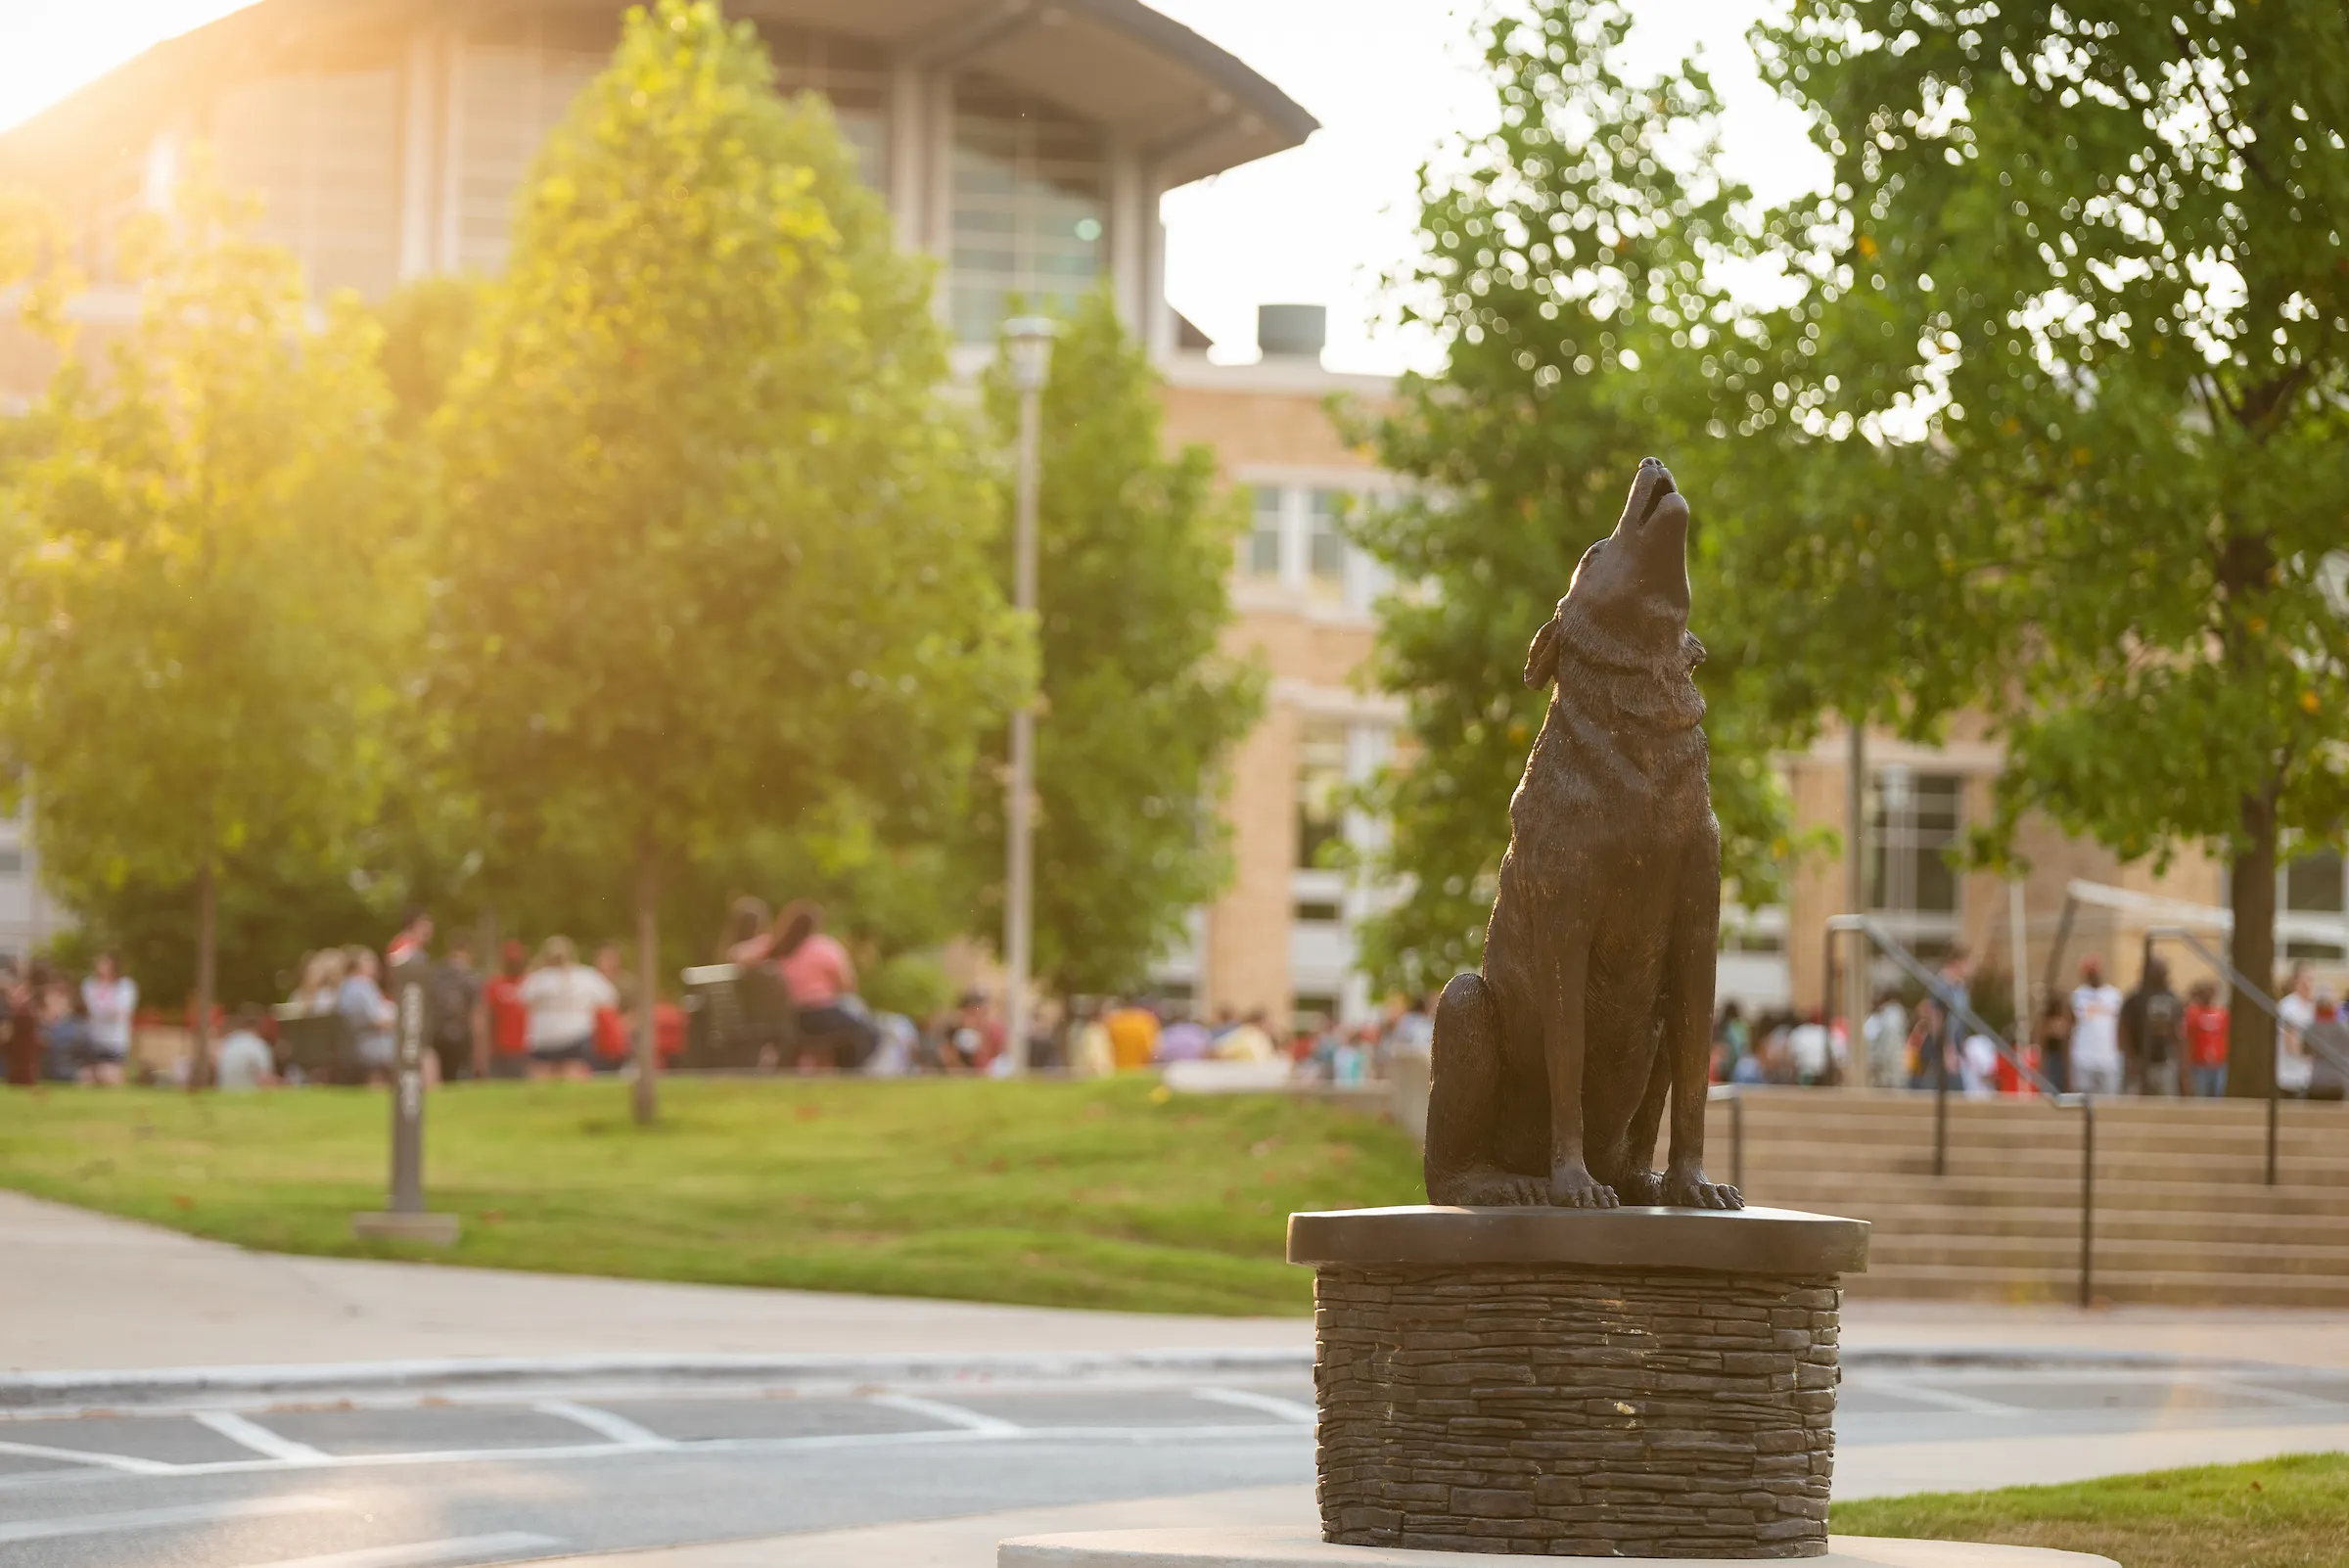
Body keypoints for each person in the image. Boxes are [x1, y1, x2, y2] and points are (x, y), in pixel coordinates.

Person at [766, 902, 874, 1070]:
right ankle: (850, 1071)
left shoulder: (781, 950)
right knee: (865, 1030)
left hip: (794, 1018)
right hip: (823, 1015)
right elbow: (848, 985)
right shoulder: (824, 947)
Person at [521, 936, 613, 1080]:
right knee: (573, 1072)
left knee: (542, 1073)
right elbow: (608, 1000)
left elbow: (522, 999)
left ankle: (540, 1102)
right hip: (576, 1035)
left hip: (544, 1037)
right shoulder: (587, 976)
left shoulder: (537, 978)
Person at [2118, 955, 2185, 1095]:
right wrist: (2131, 1059)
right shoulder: (2134, 1000)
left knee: (2167, 1102)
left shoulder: (2172, 1000)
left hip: (2164, 1062)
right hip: (2139, 1062)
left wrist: (2181, 1064)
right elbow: (2123, 1030)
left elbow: (2178, 1034)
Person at [429, 934, 484, 1083]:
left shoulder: (437, 973)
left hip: (437, 1031)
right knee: (462, 1075)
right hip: (461, 1031)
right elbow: (475, 1009)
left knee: (445, 1074)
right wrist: (479, 1039)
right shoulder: (470, 975)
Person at [339, 946, 397, 1081]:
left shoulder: (345, 986)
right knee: (425, 1055)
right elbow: (377, 1019)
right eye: (370, 962)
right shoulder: (363, 986)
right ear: (358, 965)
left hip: (354, 1043)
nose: (375, 966)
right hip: (370, 1044)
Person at [2068, 957, 2125, 1096]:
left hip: (2109, 1058)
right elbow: (2071, 1024)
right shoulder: (2078, 995)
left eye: (2095, 971)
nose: (2094, 975)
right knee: (2084, 1101)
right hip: (2084, 1058)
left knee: (2110, 1101)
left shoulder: (2114, 995)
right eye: (2090, 972)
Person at [80, 951, 136, 1087]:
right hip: (95, 1038)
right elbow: (90, 1009)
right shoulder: (89, 985)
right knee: (89, 1077)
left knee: (111, 1077)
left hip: (115, 1041)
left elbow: (121, 1012)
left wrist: (103, 1011)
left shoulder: (125, 986)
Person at [483, 941, 531, 1079]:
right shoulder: (494, 985)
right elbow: (486, 1018)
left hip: (526, 1048)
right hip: (499, 1049)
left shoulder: (531, 983)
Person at [2183, 979, 2230, 1098]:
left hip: (2219, 1063)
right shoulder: (2192, 1013)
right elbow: (2186, 1037)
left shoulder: (2222, 1014)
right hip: (2199, 1063)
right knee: (2201, 1095)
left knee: (2218, 1094)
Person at [2278, 962, 2318, 1098]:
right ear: (2296, 981)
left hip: (2307, 1075)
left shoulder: (2312, 1007)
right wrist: (2306, 1054)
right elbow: (2290, 1039)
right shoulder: (2288, 1006)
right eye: (2305, 978)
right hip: (2290, 1076)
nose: (2308, 983)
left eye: (2311, 979)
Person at [214, 1004, 277, 1091]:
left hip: (225, 1096)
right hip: (250, 1098)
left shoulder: (228, 1041)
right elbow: (265, 1079)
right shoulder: (258, 1046)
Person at [2305, 992, 2348, 1102]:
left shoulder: (2311, 1028)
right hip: (2338, 1080)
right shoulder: (2343, 1029)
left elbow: (2305, 1051)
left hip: (2317, 1080)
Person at [1861, 992, 1908, 1090]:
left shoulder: (1890, 1014)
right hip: (1893, 1061)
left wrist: (1876, 1058)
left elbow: (1886, 1040)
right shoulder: (1894, 1014)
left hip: (1889, 1061)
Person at [1103, 996, 1160, 1072]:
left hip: (1117, 1070)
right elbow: (1152, 1050)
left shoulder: (1113, 1021)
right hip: (1140, 1070)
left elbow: (1105, 1047)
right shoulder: (1146, 1021)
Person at [2034, 992, 2074, 1095]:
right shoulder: (2045, 1020)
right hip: (2050, 1057)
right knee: (2050, 1084)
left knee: (2063, 1084)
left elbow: (2067, 1039)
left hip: (2061, 1057)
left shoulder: (2065, 1019)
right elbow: (2042, 1040)